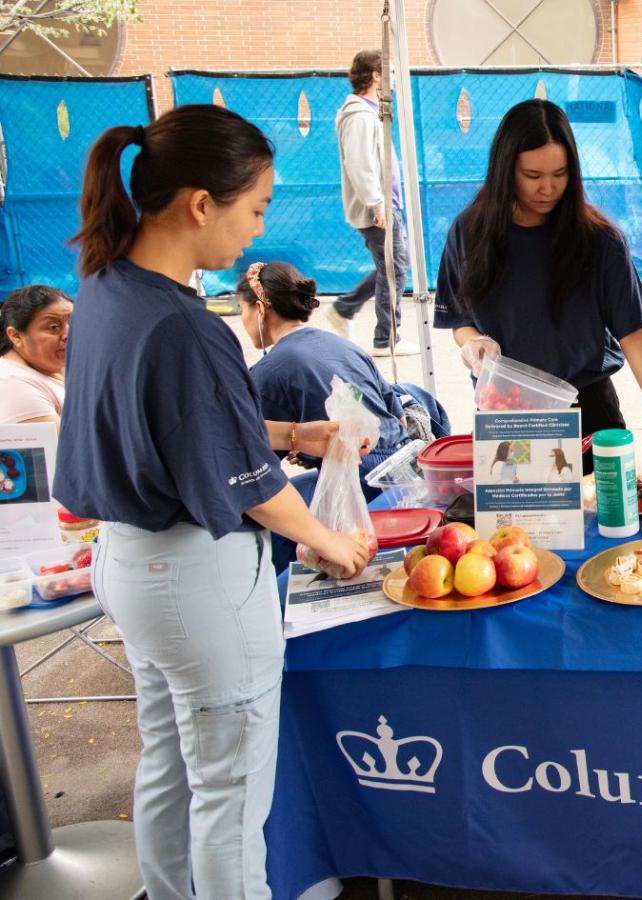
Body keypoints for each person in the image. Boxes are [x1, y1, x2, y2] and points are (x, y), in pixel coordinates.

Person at [56, 104, 374, 899]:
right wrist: (328, 542)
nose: (255, 233)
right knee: (230, 798)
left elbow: (181, 420)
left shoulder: (106, 286)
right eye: (256, 209)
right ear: (202, 202)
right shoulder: (185, 325)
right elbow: (251, 487)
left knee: (170, 763)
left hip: (128, 565)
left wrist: (295, 433)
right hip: (196, 582)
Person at [435, 99, 642, 475]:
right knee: (521, 525)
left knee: (601, 518)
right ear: (506, 169)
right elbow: (460, 321)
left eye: (560, 174)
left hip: (587, 410)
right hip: (508, 412)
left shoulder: (599, 240)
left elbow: (633, 335)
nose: (548, 188)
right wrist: (472, 342)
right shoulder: (470, 232)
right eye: (532, 175)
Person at [239, 260, 449, 571]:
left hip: (362, 481)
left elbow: (250, 460)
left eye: (241, 309)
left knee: (268, 519)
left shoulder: (269, 372)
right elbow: (395, 413)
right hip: (404, 472)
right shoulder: (340, 344)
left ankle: (281, 593)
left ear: (260, 309)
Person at [327, 49, 417, 356]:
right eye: (388, 72)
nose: (392, 78)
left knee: (390, 266)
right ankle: (385, 339)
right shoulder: (359, 116)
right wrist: (377, 204)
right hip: (378, 208)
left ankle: (344, 308)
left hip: (385, 204)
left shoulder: (369, 111)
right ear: (376, 75)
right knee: (394, 268)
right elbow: (360, 163)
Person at [0, 285, 71, 424]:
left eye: (74, 323)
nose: (69, 334)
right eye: (54, 327)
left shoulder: (58, 364)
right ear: (16, 336)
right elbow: (67, 445)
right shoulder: (14, 386)